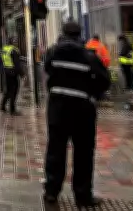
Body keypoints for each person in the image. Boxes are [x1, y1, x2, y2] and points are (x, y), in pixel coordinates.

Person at [43, 22, 110, 208]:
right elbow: (104, 80)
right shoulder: (88, 56)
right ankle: (82, 196)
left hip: (57, 109)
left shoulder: (53, 52)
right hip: (82, 110)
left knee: (55, 151)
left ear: (63, 33)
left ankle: (51, 191)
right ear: (80, 34)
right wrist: (91, 94)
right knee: (83, 154)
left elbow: (48, 70)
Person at [0, 37, 24, 115]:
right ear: (13, 43)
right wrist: (22, 74)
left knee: (8, 90)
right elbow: (17, 65)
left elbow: (2, 61)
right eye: (16, 42)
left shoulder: (5, 49)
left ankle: (2, 105)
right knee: (14, 91)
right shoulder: (14, 51)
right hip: (13, 73)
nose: (16, 43)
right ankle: (12, 110)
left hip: (7, 72)